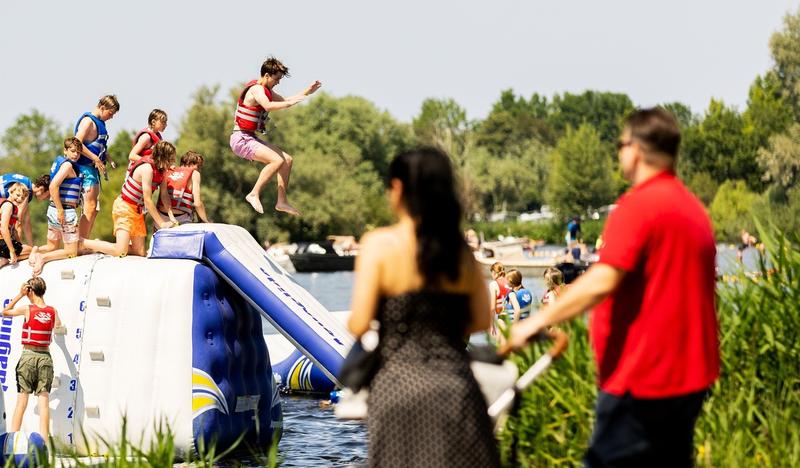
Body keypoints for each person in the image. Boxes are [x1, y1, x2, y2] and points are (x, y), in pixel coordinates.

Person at [504, 108, 719, 467]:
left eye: (620, 145)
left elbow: (604, 278)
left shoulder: (639, 205)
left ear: (635, 149)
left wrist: (536, 322)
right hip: (689, 380)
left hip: (643, 378)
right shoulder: (694, 210)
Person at [347, 147, 499, 467]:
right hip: (457, 389)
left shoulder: (379, 244)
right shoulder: (458, 251)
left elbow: (359, 323)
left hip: (397, 388)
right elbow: (480, 319)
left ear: (398, 187)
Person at [229, 56, 322, 215]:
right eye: (277, 79)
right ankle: (253, 193)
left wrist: (307, 92)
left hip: (250, 138)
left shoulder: (266, 91)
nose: (278, 82)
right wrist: (289, 104)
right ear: (267, 75)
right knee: (277, 160)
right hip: (241, 139)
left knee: (287, 160)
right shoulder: (257, 89)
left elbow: (286, 100)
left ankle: (282, 202)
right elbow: (268, 105)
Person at [82, 141, 176, 258]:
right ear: (162, 157)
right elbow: (147, 200)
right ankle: (82, 242)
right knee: (120, 251)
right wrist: (162, 223)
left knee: (139, 252)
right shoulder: (147, 169)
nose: (173, 162)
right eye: (170, 159)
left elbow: (164, 195)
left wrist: (171, 216)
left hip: (138, 211)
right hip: (125, 208)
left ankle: (99, 245)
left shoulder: (162, 171)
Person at [2, 277, 63, 440]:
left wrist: (20, 295)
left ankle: (12, 442)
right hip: (45, 358)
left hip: (28, 356)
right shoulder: (53, 311)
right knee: (44, 403)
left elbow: (5, 312)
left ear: (30, 291)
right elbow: (58, 326)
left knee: (21, 402)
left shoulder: (27, 309)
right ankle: (44, 444)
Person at [29, 138, 85, 276]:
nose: (76, 155)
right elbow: (53, 186)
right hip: (64, 212)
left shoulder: (59, 163)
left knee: (51, 246)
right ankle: (43, 258)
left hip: (52, 209)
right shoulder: (67, 166)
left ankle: (36, 250)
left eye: (78, 152)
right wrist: (61, 211)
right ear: (65, 150)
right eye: (73, 151)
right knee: (71, 252)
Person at [74, 95, 119, 239]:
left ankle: (84, 239)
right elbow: (76, 143)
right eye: (110, 113)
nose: (111, 117)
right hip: (84, 168)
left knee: (94, 209)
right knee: (90, 206)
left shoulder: (101, 123)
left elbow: (100, 145)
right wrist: (95, 159)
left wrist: (109, 159)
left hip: (93, 170)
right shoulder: (88, 121)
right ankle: (81, 242)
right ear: (102, 108)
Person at [156, 150, 212, 226]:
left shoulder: (167, 170)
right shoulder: (195, 174)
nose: (199, 169)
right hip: (181, 219)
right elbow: (197, 203)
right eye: (198, 166)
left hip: (160, 218)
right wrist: (206, 221)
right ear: (190, 163)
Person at [0, 173, 51, 245]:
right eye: (48, 196)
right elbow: (18, 222)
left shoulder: (26, 183)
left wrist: (31, 245)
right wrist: (17, 246)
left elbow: (26, 222)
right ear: (41, 189)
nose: (48, 198)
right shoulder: (25, 190)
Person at [0, 183, 33, 268]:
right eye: (17, 195)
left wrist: (19, 244)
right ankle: (5, 259)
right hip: (1, 242)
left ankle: (5, 258)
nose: (19, 199)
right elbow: (3, 229)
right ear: (10, 192)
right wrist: (12, 251)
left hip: (3, 241)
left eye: (22, 197)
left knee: (27, 249)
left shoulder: (12, 207)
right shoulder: (8, 205)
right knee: (31, 250)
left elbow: (13, 230)